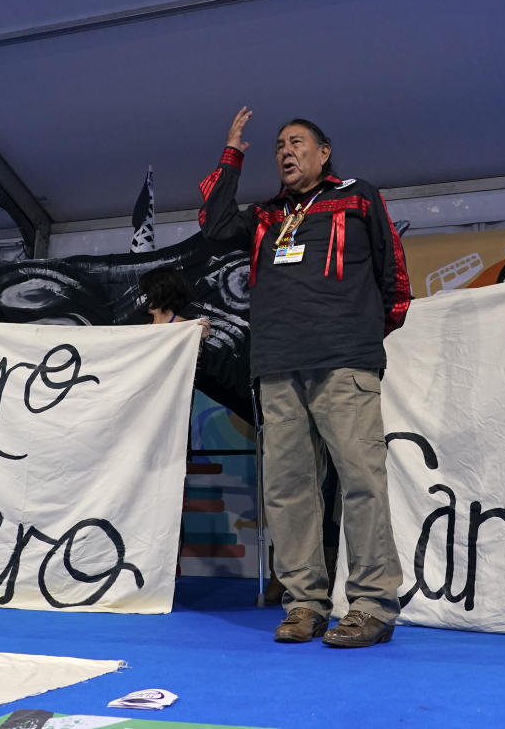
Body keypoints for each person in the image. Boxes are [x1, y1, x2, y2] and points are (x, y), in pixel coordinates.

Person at [199, 107, 410, 648]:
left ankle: (371, 606)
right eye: (278, 147)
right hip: (275, 364)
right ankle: (304, 604)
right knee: (288, 490)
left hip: (344, 360)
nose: (286, 152)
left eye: (296, 143)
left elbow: (394, 278)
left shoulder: (359, 195)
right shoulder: (267, 215)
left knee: (361, 482)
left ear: (324, 152)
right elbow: (214, 223)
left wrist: (360, 335)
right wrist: (232, 155)